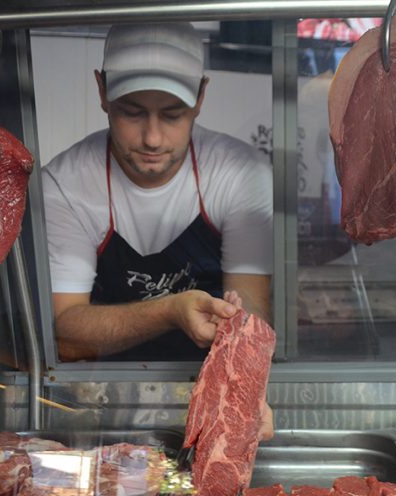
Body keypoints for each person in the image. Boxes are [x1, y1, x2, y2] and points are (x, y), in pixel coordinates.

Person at [42, 22, 273, 363]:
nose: (152, 138)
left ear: (200, 97)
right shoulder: (66, 184)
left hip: (209, 385)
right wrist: (169, 312)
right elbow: (63, 329)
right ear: (102, 91)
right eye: (132, 112)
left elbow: (250, 315)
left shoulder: (240, 173)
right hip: (100, 389)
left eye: (171, 114)